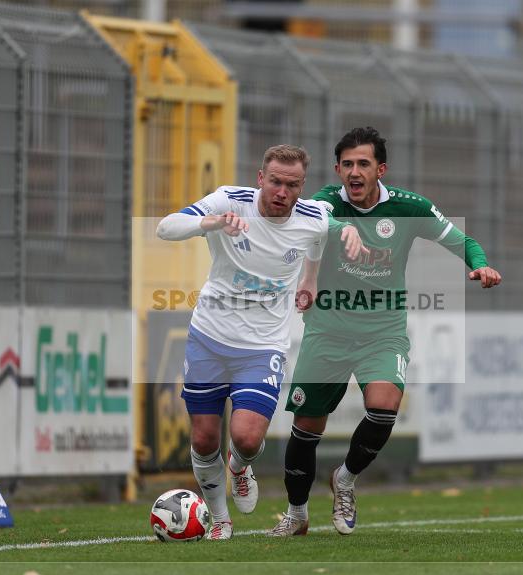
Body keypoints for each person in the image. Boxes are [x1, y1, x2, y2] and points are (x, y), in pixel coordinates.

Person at [269, 127, 502, 537]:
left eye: (363, 164)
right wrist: (343, 231)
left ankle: (344, 479)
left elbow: (461, 240)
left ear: (381, 169)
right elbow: (307, 227)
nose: (354, 172)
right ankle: (297, 513)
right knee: (307, 428)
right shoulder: (323, 202)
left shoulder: (409, 208)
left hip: (383, 329)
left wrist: (479, 263)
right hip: (328, 328)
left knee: (384, 406)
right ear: (337, 169)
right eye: (347, 165)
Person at [156, 144, 366, 540]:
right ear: (260, 178)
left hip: (263, 345)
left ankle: (239, 466)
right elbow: (164, 228)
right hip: (209, 338)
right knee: (203, 438)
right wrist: (211, 222)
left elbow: (325, 233)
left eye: (291, 185)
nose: (281, 192)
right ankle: (219, 519)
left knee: (247, 438)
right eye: (275, 182)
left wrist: (310, 278)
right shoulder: (228, 201)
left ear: (302, 186)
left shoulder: (313, 218)